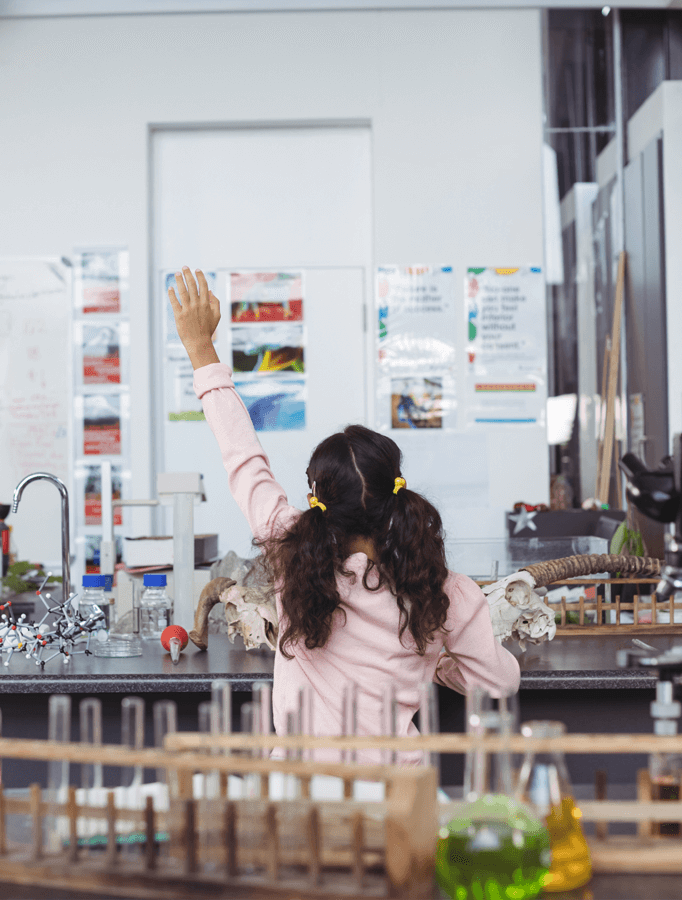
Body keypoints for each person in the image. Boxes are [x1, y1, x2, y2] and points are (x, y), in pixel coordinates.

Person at [169, 268, 521, 754]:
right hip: (396, 794)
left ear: (317, 499)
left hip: (301, 790)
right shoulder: (447, 593)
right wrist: (437, 657)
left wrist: (200, 350)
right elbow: (500, 685)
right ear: (395, 491)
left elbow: (242, 456)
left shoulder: (289, 548)